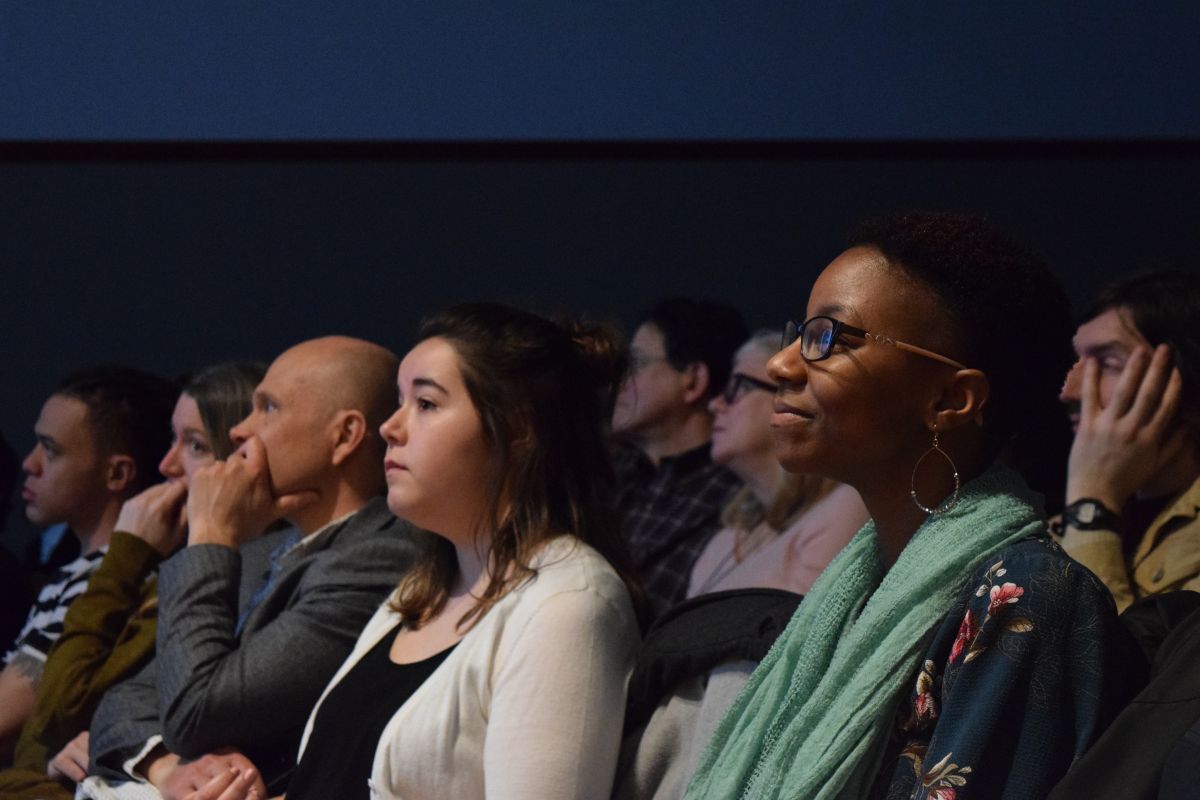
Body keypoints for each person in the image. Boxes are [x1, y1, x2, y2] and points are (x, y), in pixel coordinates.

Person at [684, 212, 1130, 799]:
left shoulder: (1028, 594)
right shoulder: (867, 580)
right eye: (799, 333)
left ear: (949, 399)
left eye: (828, 337)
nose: (781, 364)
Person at [192, 304, 642, 800]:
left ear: (517, 431)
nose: (390, 427)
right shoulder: (420, 590)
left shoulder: (568, 606)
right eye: (399, 401)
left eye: (425, 404)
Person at [81, 337, 432, 800]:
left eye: (267, 408)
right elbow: (121, 699)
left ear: (344, 436)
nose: (239, 431)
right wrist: (163, 767)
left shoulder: (380, 557)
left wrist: (209, 532)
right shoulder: (256, 550)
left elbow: (194, 713)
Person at [0, 363, 265, 800]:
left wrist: (126, 555)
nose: (166, 465)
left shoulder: (167, 576)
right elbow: (57, 737)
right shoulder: (152, 575)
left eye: (195, 445)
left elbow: (54, 719)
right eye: (173, 439)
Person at [0, 367, 176, 763]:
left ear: (117, 473)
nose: (30, 464)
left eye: (51, 450)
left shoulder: (104, 581)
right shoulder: (76, 574)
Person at [1057, 270, 1200, 612]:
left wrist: (1093, 502)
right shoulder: (1051, 524)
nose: (1069, 391)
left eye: (1106, 364)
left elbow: (1095, 645)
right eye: (1076, 363)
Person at [687, 330, 868, 598]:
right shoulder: (724, 540)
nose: (715, 404)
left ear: (795, 397)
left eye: (739, 387)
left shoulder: (846, 506)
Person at [612, 297, 748, 617]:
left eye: (636, 364)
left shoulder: (735, 498)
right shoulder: (608, 476)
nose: (620, 381)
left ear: (693, 380)